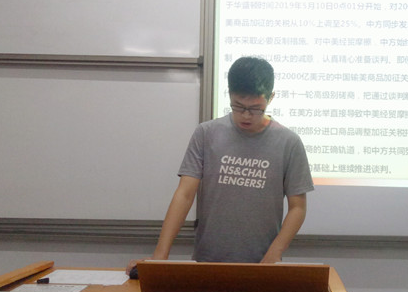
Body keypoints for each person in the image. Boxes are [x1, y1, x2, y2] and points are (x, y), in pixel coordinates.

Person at [127, 56, 313, 273]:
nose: (246, 116)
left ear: (271, 98)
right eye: (238, 106)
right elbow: (185, 194)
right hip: (208, 261)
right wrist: (160, 254)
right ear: (229, 94)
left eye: (256, 109)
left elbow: (297, 207)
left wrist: (275, 253)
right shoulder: (206, 134)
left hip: (262, 263)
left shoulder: (289, 142)